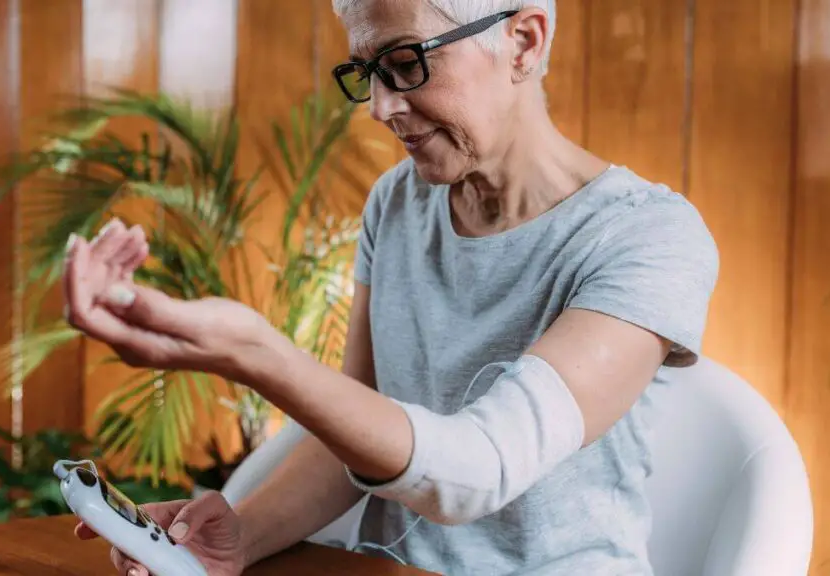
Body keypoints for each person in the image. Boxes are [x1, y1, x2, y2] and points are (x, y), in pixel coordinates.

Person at [63, 0, 719, 574]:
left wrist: (255, 354)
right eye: (367, 72)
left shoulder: (649, 239)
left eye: (405, 61)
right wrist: (239, 537)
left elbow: (479, 472)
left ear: (523, 41)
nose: (380, 107)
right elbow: (356, 433)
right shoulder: (400, 203)